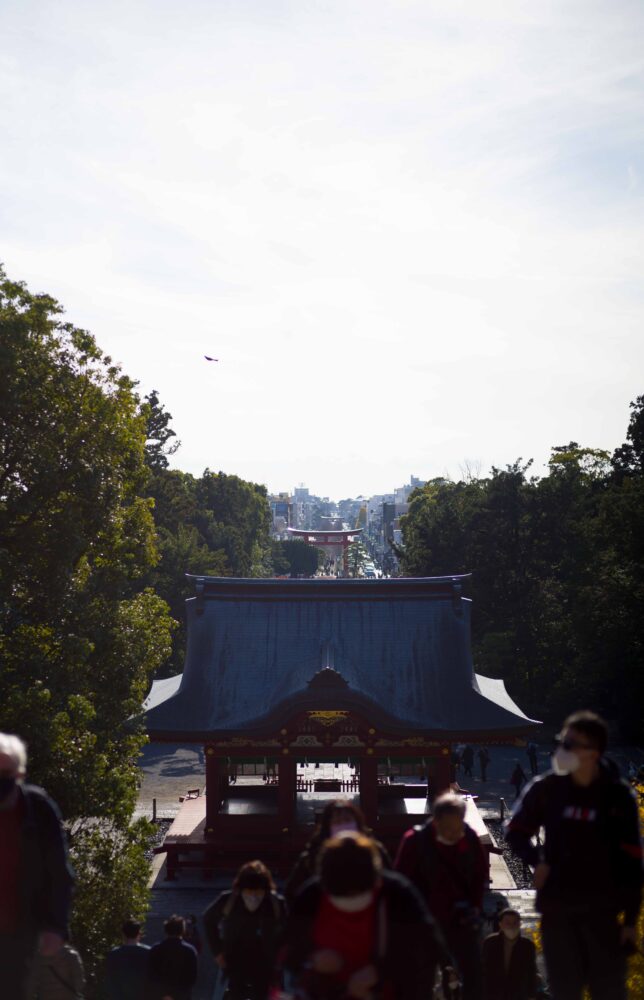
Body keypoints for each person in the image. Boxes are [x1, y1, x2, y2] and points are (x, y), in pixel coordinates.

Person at [506, 710, 642, 1000]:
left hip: (603, 914)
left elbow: (632, 862)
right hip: (557, 912)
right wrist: (536, 859)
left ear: (592, 752)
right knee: (565, 992)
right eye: (561, 742)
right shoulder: (547, 788)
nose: (560, 750)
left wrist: (630, 920)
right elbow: (515, 831)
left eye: (569, 745)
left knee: (609, 992)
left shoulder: (618, 797)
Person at [282, 831, 456, 999]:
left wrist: (382, 971)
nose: (350, 903)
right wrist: (312, 961)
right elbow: (285, 951)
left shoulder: (398, 895)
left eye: (357, 895)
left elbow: (427, 948)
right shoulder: (310, 897)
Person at [0, 732, 74, 1000]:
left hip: (21, 931)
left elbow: (59, 872)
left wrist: (56, 927)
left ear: (19, 773)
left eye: (5, 771)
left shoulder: (38, 809)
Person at [395, 791, 487, 1000]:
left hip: (460, 919)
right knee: (421, 978)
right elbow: (401, 883)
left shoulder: (469, 837)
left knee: (474, 974)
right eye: (448, 829)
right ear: (435, 821)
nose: (454, 834)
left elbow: (478, 876)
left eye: (458, 828)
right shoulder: (415, 841)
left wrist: (475, 906)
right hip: (424, 921)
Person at [203, 860, 286, 1000]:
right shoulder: (229, 900)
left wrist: (281, 954)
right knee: (235, 993)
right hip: (235, 959)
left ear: (265, 890)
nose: (253, 897)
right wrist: (217, 952)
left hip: (265, 961)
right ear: (240, 889)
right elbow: (208, 920)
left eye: (258, 892)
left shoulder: (275, 904)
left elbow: (288, 929)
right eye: (248, 891)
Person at [285, 799, 391, 903]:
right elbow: (293, 894)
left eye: (347, 820)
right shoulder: (312, 855)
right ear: (327, 826)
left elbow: (390, 887)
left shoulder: (375, 851)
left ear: (357, 823)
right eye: (337, 822)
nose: (343, 826)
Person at [482, 908, 537, 1000]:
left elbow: (531, 971)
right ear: (501, 925)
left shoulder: (527, 945)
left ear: (520, 924)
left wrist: (531, 995)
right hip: (493, 993)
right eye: (507, 922)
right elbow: (483, 969)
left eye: (515, 922)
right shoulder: (490, 942)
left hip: (518, 994)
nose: (511, 926)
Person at [147, 915, 198, 1000]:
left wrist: (164, 994)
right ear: (182, 931)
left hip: (159, 996)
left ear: (166, 930)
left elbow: (151, 975)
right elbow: (192, 978)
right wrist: (175, 995)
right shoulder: (190, 951)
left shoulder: (155, 949)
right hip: (182, 996)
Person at [104, 917, 150, 1000]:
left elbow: (110, 982)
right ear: (139, 933)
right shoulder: (148, 953)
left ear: (123, 934)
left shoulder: (114, 954)